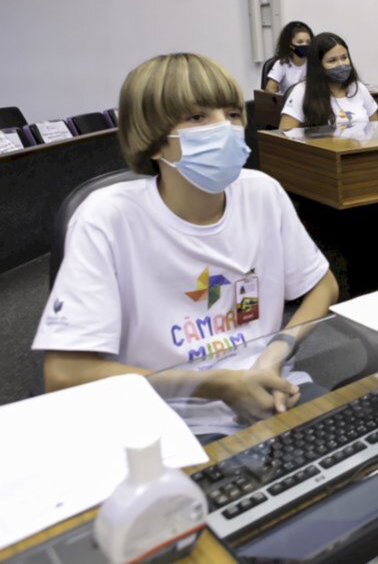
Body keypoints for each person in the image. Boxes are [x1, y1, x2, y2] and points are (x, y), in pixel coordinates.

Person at [33, 53, 339, 437]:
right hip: (168, 422)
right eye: (197, 117)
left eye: (232, 113)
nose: (225, 128)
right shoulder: (106, 219)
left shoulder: (262, 192)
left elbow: (322, 285)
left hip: (272, 391)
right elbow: (64, 375)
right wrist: (217, 385)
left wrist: (274, 354)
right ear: (153, 141)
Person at [279, 32, 378, 130]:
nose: (341, 64)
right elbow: (285, 137)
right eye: (332, 60)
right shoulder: (301, 91)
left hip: (360, 145)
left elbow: (376, 129)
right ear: (317, 66)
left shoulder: (358, 88)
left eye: (344, 58)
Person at [264, 20, 313, 95]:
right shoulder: (282, 64)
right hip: (287, 103)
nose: (304, 45)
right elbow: (269, 90)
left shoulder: (314, 62)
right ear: (290, 45)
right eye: (300, 42)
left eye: (308, 42)